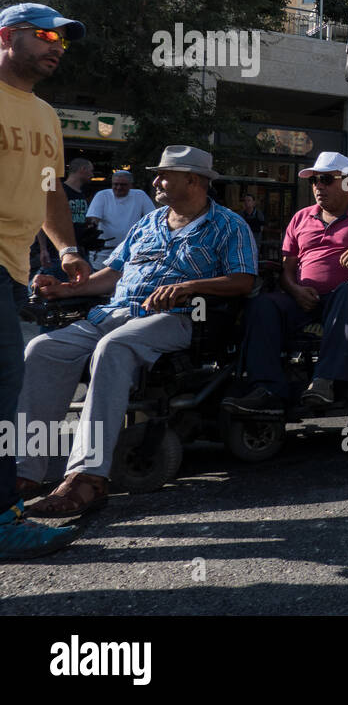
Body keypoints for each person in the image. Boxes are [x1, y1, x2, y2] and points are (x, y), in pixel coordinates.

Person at [16, 145, 256, 519]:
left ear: (193, 180)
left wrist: (191, 287)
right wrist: (65, 289)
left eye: (164, 176)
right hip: (114, 311)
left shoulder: (229, 225)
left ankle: (87, 477)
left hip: (178, 318)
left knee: (114, 347)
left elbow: (243, 280)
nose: (156, 182)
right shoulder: (148, 222)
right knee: (42, 349)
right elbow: (111, 276)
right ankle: (23, 471)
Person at [0, 2, 92, 559]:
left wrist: (67, 250)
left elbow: (49, 190)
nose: (56, 46)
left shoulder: (45, 116)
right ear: (6, 36)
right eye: (43, 35)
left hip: (11, 268)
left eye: (62, 40)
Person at [223, 152, 348, 414]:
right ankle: (267, 389)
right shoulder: (301, 217)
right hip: (303, 298)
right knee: (262, 305)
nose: (318, 187)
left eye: (326, 180)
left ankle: (325, 381)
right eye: (314, 181)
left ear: (347, 182)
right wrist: (294, 289)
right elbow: (287, 269)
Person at [30, 157, 96, 280]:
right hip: (55, 254)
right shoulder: (58, 193)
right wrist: (43, 249)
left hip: (78, 251)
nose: (92, 175)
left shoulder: (80, 193)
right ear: (83, 169)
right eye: (91, 171)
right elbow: (41, 220)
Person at [85, 169, 155, 269]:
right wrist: (92, 227)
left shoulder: (140, 195)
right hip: (104, 251)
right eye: (115, 184)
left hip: (131, 250)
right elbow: (94, 217)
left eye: (123, 185)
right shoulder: (102, 195)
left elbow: (152, 218)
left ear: (131, 185)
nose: (118, 187)